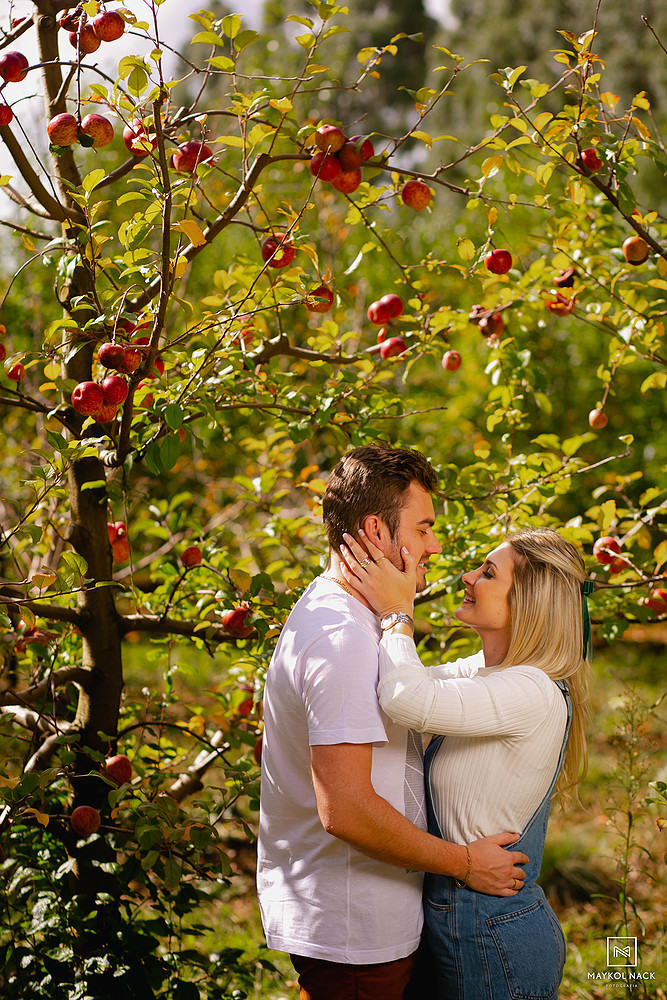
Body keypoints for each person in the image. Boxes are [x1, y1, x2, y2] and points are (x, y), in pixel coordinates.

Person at [256, 445, 529, 1000]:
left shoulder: (354, 618)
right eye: (423, 528)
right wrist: (464, 864)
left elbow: (423, 693)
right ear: (377, 530)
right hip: (355, 927)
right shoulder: (343, 639)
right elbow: (347, 809)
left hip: (366, 916)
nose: (435, 546)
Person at [338, 524, 593, 1000]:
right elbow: (388, 683)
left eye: (488, 573)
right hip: (465, 921)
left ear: (528, 603)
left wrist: (397, 613)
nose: (467, 577)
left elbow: (405, 698)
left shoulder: (532, 690)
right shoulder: (483, 672)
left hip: (495, 934)